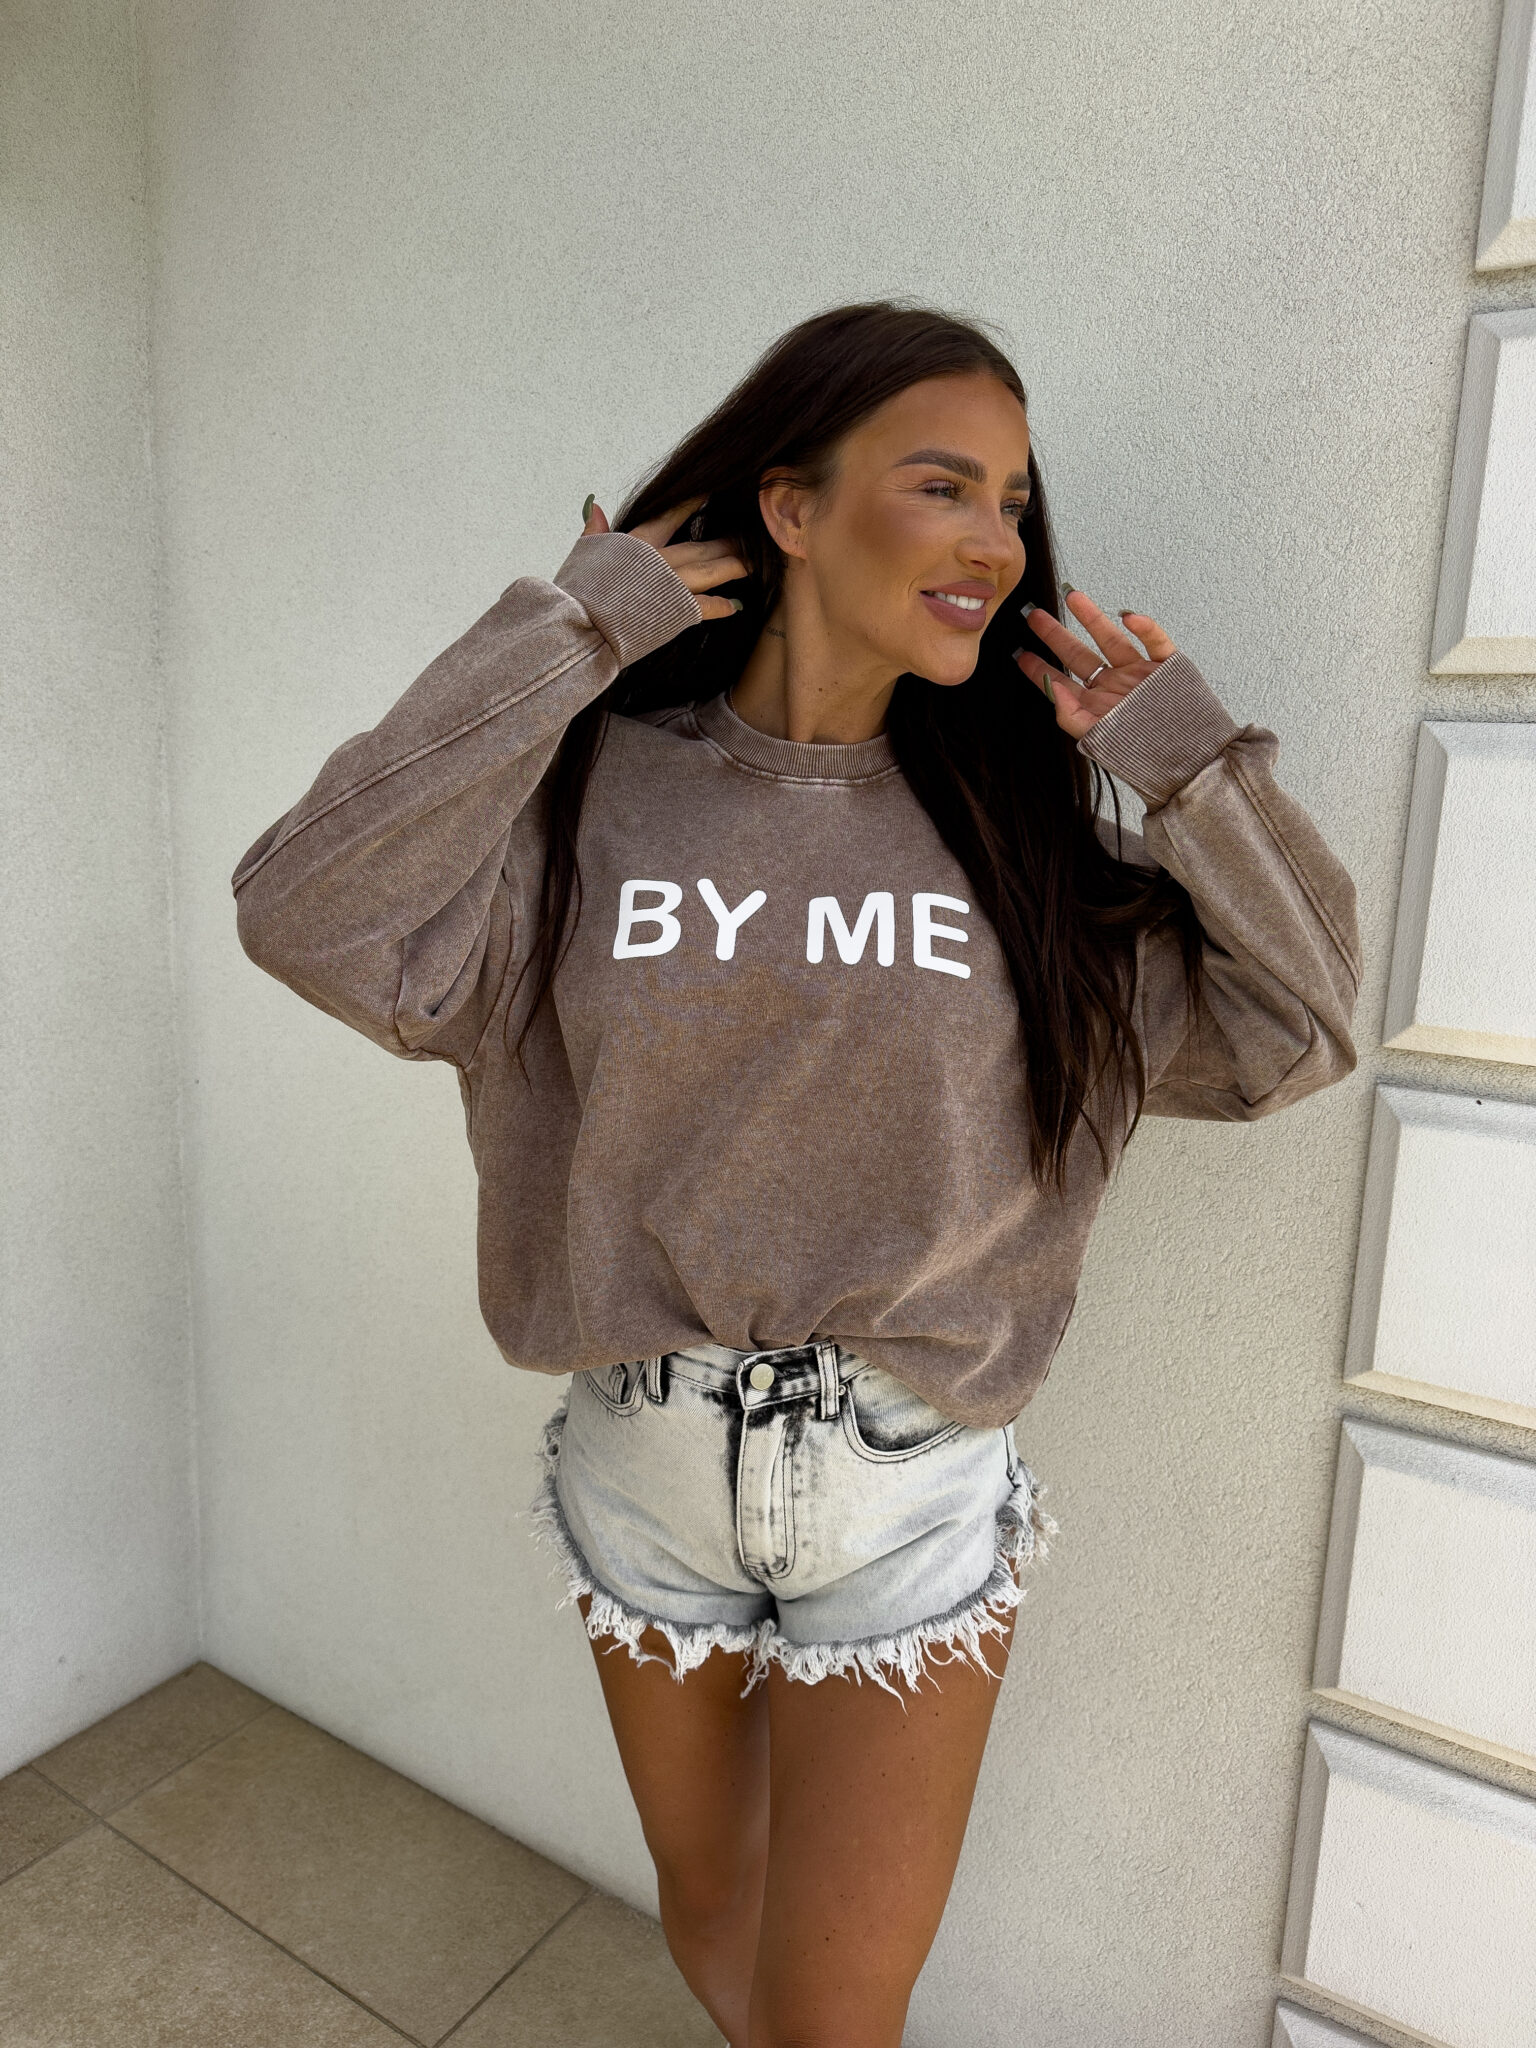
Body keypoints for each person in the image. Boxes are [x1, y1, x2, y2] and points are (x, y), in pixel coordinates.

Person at [232, 300, 1359, 2048]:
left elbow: (1299, 1029)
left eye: (1013, 502)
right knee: (711, 1918)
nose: (998, 543)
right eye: (944, 486)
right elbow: (307, 910)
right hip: (641, 1457)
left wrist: (1191, 771)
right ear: (792, 508)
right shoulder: (589, 799)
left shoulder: (1028, 846)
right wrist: (569, 638)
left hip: (906, 1483)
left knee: (833, 2015)